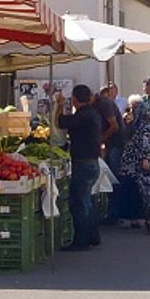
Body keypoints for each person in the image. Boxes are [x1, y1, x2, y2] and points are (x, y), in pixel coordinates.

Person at [55, 84, 103, 251]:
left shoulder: (83, 115)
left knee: (79, 203)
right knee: (86, 202)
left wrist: (59, 105)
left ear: (75, 99)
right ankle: (92, 235)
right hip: (92, 163)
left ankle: (82, 239)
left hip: (83, 164)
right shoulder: (93, 113)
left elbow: (60, 122)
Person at [116, 95, 150, 228]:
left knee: (140, 188)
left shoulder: (144, 124)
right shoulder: (130, 122)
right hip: (129, 159)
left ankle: (142, 216)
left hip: (138, 160)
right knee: (129, 187)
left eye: (132, 108)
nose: (130, 110)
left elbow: (146, 142)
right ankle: (132, 216)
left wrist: (145, 158)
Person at [94, 84, 123, 224]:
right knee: (112, 176)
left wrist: (101, 139)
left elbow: (114, 125)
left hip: (116, 143)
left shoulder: (104, 105)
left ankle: (114, 213)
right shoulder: (104, 103)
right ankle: (113, 212)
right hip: (114, 144)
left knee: (113, 177)